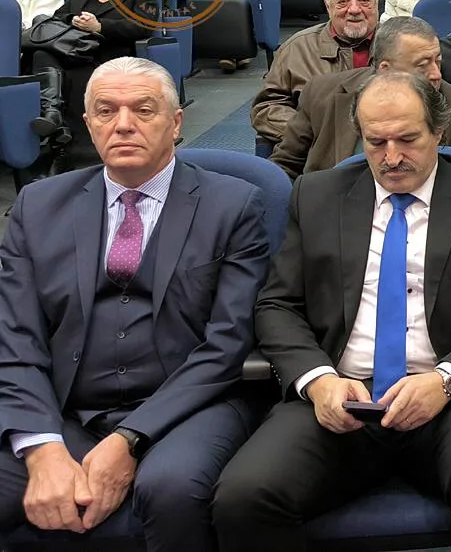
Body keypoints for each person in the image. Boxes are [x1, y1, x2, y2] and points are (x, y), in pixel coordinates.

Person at [214, 72, 451, 552]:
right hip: (343, 392)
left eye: (407, 139)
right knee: (244, 496)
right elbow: (277, 305)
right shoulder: (317, 195)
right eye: (376, 142)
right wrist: (318, 380)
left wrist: (447, 380)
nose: (391, 157)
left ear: (438, 131)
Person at [0, 57, 269, 552]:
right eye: (106, 111)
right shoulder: (37, 207)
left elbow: (227, 342)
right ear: (88, 124)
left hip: (187, 409)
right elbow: (15, 338)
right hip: (65, 407)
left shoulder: (233, 206)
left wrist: (130, 438)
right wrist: (41, 447)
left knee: (172, 490)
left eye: (143, 110)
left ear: (176, 122)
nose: (123, 124)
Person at [272, 17, 451, 178]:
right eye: (422, 66)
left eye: (438, 61)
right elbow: (284, 166)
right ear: (385, 69)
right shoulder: (322, 92)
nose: (436, 74)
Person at [25, 0, 154, 167]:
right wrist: (74, 20)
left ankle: (70, 146)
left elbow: (144, 25)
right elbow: (59, 16)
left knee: (73, 75)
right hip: (77, 50)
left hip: (111, 54)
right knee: (41, 55)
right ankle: (53, 115)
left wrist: (100, 27)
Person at [252, 0, 379, 156]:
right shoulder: (297, 48)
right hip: (317, 159)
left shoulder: (400, 45)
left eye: (364, 0)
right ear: (328, 6)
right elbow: (266, 108)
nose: (354, 9)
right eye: (342, 1)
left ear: (376, 3)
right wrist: (311, 134)